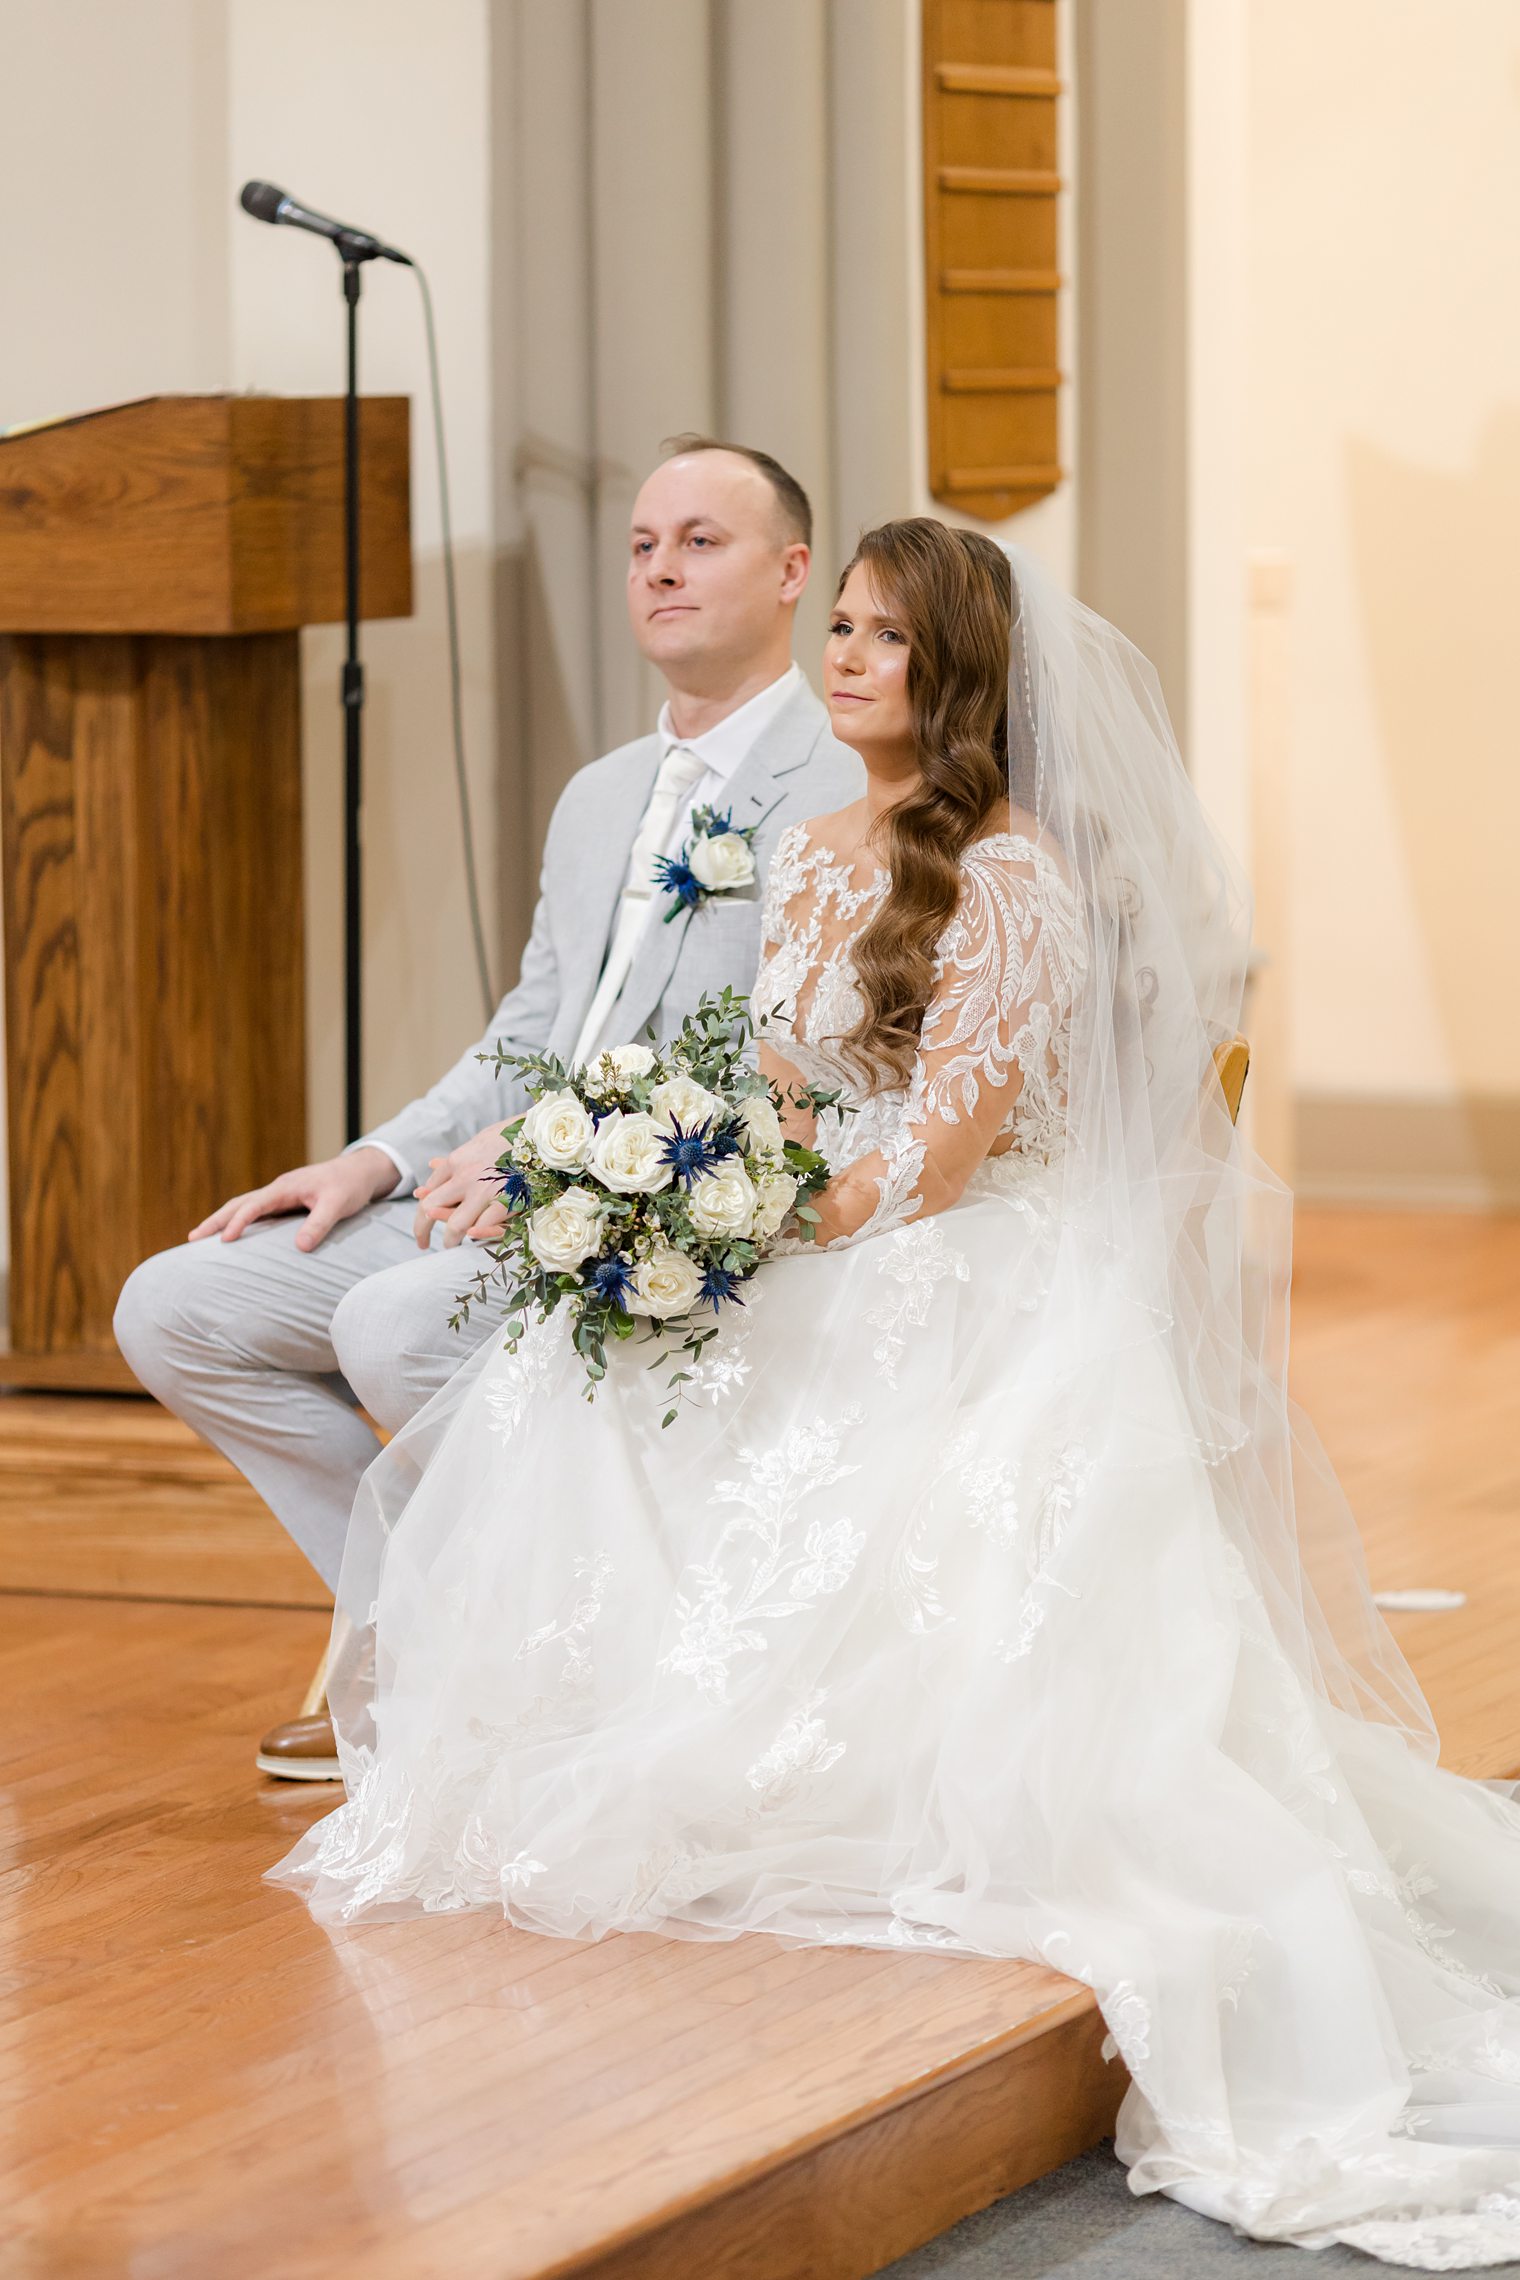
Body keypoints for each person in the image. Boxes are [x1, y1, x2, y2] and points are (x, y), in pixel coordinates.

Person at [269, 520, 1520, 2267]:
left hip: (951, 1250)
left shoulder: (1011, 875)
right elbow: (776, 1072)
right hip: (816, 1216)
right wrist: (643, 1173)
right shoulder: (809, 844)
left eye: (885, 637)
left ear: (963, 674)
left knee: (714, 1352)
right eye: (841, 627)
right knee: (585, 1348)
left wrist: (751, 1236)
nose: (848, 658)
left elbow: (937, 1162)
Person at [113, 438, 861, 1780]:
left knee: (391, 1322)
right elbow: (532, 1035)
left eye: (701, 540)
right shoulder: (598, 799)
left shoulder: (840, 791)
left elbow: (794, 1075)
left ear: (793, 572)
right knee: (177, 1303)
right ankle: (432, 1633)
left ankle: (493, 1670)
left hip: (675, 1207)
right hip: (509, 1184)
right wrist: (377, 1159)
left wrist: (546, 1164)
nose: (661, 569)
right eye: (641, 546)